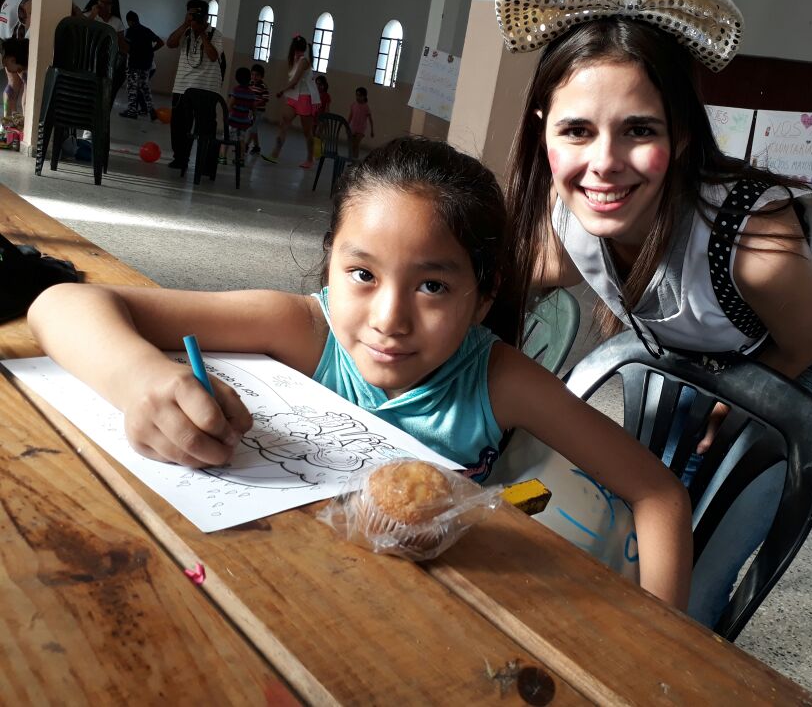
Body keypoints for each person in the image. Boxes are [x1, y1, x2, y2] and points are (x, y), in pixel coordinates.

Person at [28, 136, 693, 608]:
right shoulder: (306, 328)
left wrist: (663, 644)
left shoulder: (498, 380)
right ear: (330, 266)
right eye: (362, 275)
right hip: (274, 587)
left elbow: (658, 495)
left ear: (483, 296)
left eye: (432, 286)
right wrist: (140, 380)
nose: (389, 318)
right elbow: (63, 303)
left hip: (446, 616)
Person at [499, 0, 812, 626]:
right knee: (640, 518)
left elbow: (804, 343)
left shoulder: (758, 246)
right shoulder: (567, 212)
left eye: (639, 129)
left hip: (805, 357)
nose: (604, 164)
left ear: (685, 136)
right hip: (706, 338)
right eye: (577, 131)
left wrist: (729, 407)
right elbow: (513, 289)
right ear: (544, 127)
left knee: (712, 547)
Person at [165, 0, 225, 172]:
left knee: (206, 127)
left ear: (206, 16)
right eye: (191, 13)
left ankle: (206, 165)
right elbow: (170, 43)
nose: (195, 17)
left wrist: (203, 34)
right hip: (182, 87)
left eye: (198, 14)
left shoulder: (216, 34)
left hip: (206, 88)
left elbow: (214, 56)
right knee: (179, 126)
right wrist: (185, 25)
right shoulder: (185, 31)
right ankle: (180, 159)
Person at [262, 35, 320, 168]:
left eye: (297, 49)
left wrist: (282, 91)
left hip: (305, 98)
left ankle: (310, 159)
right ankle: (275, 154)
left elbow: (294, 82)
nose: (296, 52)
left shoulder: (304, 61)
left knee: (307, 132)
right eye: (295, 49)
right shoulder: (294, 60)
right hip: (294, 97)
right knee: (284, 123)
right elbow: (293, 82)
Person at [0, 0, 32, 119]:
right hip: (20, 54)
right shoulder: (27, 3)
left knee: (12, 86)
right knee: (28, 87)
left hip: (7, 50)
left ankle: (7, 125)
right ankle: (25, 128)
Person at [120, 10, 164, 120]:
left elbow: (126, 48)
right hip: (146, 64)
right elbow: (161, 43)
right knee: (144, 87)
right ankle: (151, 110)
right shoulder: (147, 30)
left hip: (134, 64)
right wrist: (151, 50)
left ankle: (132, 112)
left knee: (132, 88)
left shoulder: (129, 31)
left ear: (129, 21)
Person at [220, 67, 256, 164]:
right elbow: (253, 108)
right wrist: (253, 119)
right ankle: (240, 159)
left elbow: (230, 105)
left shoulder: (236, 90)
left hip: (233, 120)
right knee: (241, 140)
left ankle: (222, 157)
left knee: (226, 138)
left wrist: (225, 116)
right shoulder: (251, 94)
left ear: (237, 78)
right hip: (243, 122)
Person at [0, 38, 28, 148]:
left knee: (26, 83)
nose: (6, 69)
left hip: (21, 51)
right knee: (14, 84)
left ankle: (20, 124)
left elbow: (27, 95)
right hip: (16, 49)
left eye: (6, 65)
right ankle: (7, 123)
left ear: (11, 60)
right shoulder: (17, 64)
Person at [245, 63, 270, 155]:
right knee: (253, 129)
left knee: (252, 129)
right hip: (251, 111)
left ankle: (246, 145)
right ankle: (256, 147)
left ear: (262, 76)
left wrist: (256, 104)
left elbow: (265, 99)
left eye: (257, 75)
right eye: (252, 74)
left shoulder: (263, 86)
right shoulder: (250, 84)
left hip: (259, 111)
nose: (254, 77)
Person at [347, 87, 374, 159]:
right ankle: (352, 159)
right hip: (353, 127)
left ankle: (355, 160)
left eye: (360, 96)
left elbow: (370, 119)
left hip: (361, 129)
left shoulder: (366, 107)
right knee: (353, 145)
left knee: (356, 144)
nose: (358, 97)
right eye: (357, 95)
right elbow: (350, 116)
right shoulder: (353, 105)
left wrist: (372, 130)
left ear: (364, 96)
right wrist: (347, 125)